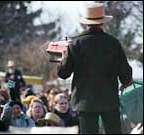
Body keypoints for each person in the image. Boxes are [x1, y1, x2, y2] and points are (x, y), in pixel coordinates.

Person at [57, 3, 133, 134]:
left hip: (84, 102)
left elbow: (63, 73)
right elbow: (125, 73)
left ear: (86, 23)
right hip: (109, 100)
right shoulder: (113, 43)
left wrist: (63, 58)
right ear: (102, 23)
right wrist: (126, 82)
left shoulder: (75, 44)